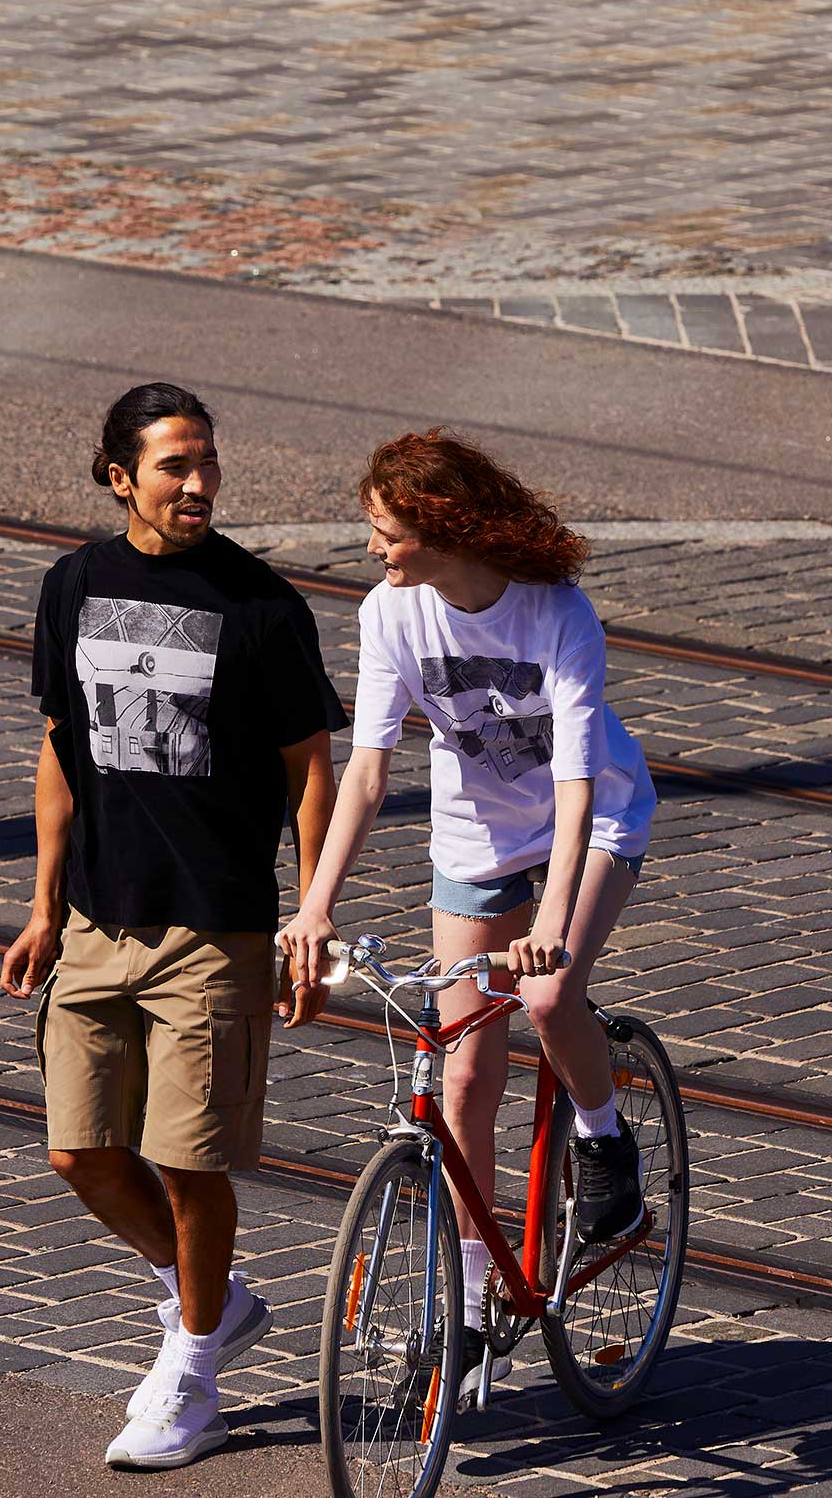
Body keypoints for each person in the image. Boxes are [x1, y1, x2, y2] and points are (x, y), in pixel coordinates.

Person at [1, 381, 346, 1470]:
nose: (198, 484)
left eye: (207, 463)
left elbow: (310, 768)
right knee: (81, 1152)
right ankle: (209, 1300)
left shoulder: (258, 605)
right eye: (173, 467)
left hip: (216, 926)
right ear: (120, 478)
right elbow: (63, 744)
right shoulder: (74, 584)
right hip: (101, 918)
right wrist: (45, 902)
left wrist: (308, 914)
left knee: (191, 1162)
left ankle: (192, 1376)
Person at [280, 428, 655, 1401]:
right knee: (463, 1077)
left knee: (546, 995)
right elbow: (366, 770)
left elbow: (575, 787)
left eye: (386, 529)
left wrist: (557, 923)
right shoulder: (389, 613)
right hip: (478, 841)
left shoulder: (555, 614)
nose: (373, 547)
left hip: (595, 817)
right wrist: (315, 903)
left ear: (440, 525)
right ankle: (478, 1301)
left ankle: (607, 1133)